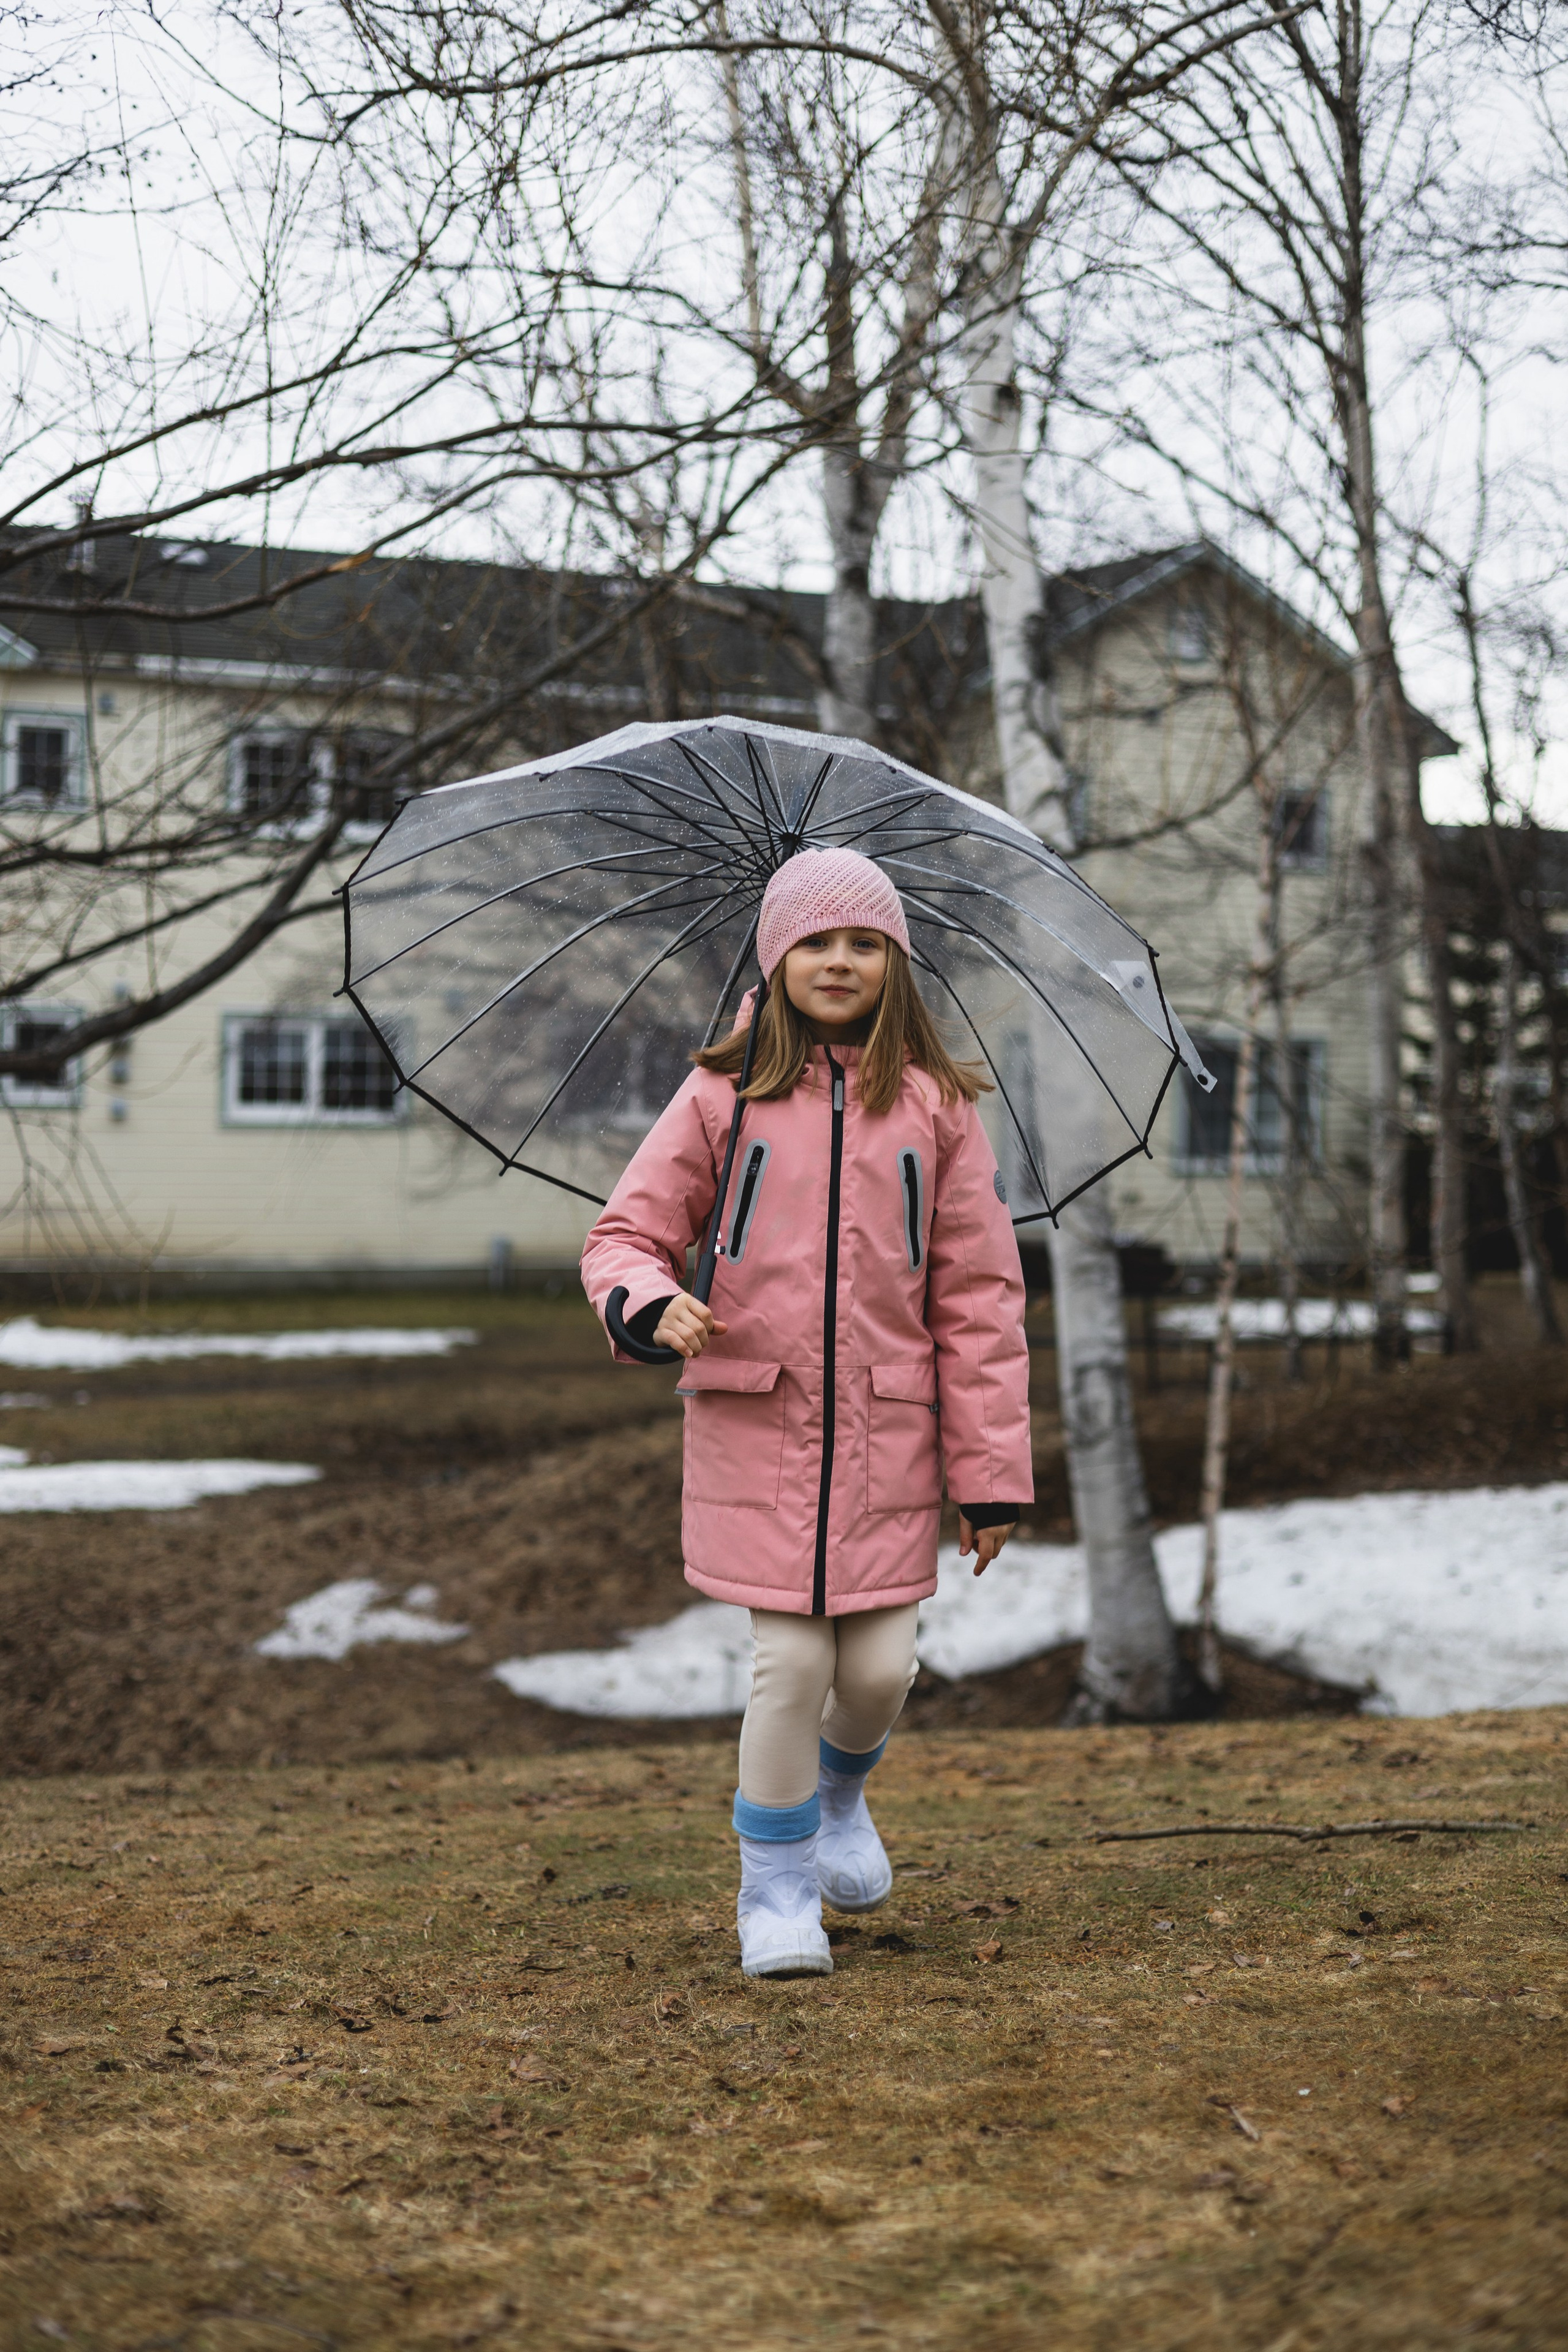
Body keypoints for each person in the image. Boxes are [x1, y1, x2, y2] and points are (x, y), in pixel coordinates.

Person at [580, 845, 1033, 1977]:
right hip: (759, 1429)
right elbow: (624, 1236)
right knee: (789, 1665)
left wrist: (989, 1476)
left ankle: (837, 1798)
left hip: (890, 1439)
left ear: (895, 963)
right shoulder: (723, 1095)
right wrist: (649, 1303)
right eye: (817, 941)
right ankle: (776, 1892)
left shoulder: (937, 1108)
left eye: (865, 943)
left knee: (878, 1673)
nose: (840, 961)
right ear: (777, 958)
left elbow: (979, 1300)